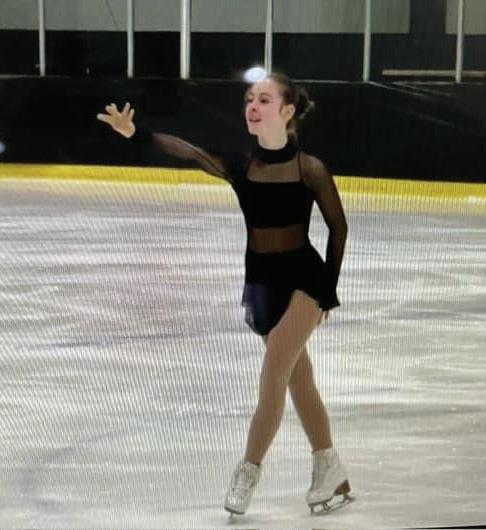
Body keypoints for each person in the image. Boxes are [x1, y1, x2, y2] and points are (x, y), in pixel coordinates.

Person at [97, 72, 350, 516]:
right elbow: (190, 152)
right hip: (263, 284)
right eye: (250, 98)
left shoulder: (308, 168)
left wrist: (327, 291)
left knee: (274, 377)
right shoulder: (242, 167)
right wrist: (137, 134)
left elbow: (338, 228)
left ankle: (248, 471)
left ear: (287, 111)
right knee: (299, 379)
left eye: (264, 99)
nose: (253, 105)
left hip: (305, 281)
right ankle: (331, 469)